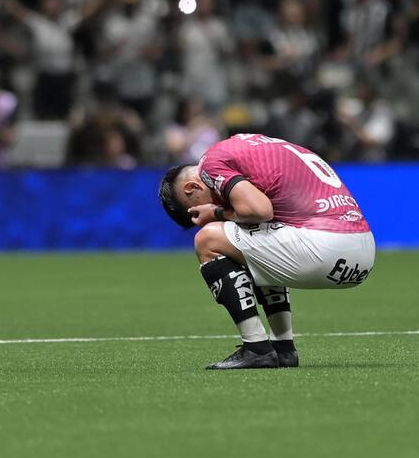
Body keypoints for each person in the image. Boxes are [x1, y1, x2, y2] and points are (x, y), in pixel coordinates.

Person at [158, 133, 374, 370]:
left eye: (195, 209)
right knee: (256, 235)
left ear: (191, 188)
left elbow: (259, 209)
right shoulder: (255, 146)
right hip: (362, 255)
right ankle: (283, 348)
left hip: (324, 247)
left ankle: (256, 348)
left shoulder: (210, 163)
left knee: (208, 238)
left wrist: (215, 213)